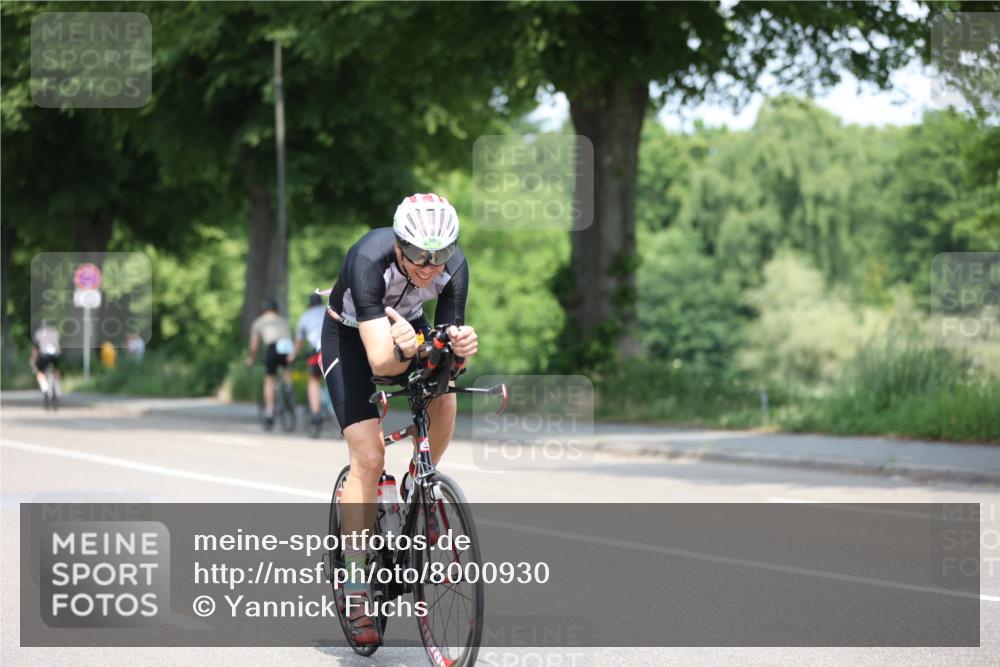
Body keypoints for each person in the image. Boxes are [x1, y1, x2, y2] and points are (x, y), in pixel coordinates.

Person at [321, 193, 478, 644]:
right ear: (398, 244)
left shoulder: (455, 268)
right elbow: (381, 361)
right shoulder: (368, 259)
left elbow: (447, 347)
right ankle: (355, 585)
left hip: (409, 332)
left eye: (440, 257)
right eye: (416, 256)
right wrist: (409, 350)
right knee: (368, 458)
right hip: (352, 340)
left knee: (445, 395)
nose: (428, 268)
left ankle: (417, 483)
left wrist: (459, 349)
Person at [246, 299, 294, 429]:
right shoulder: (283, 320)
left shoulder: (259, 322)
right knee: (285, 370)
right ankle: (288, 388)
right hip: (287, 347)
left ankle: (269, 410)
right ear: (276, 309)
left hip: (273, 348)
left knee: (269, 379)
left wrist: (251, 358)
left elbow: (254, 345)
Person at [292, 293, 327, 427]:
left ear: (309, 305)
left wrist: (293, 356)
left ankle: (316, 413)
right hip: (334, 348)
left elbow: (299, 341)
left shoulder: (305, 316)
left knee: (314, 380)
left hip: (317, 351)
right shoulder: (328, 310)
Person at [31, 320, 62, 400]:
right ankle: (58, 389)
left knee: (39, 371)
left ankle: (45, 388)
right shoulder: (55, 333)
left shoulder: (39, 333)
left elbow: (36, 349)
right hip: (55, 356)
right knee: (56, 369)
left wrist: (34, 361)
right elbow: (59, 346)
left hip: (44, 356)